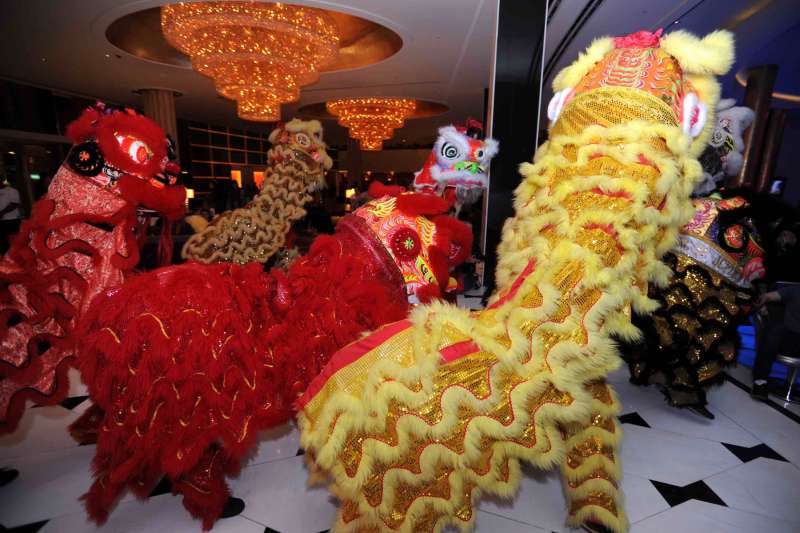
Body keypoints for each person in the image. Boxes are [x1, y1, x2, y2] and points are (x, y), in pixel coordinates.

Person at [751, 284, 800, 400]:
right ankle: (760, 382)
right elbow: (770, 296)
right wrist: (762, 302)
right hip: (788, 337)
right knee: (775, 330)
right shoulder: (796, 290)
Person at [0, 178, 22, 253]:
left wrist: (2, 212)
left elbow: (14, 204)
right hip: (2, 222)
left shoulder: (12, 191)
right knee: (4, 245)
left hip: (12, 220)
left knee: (16, 242)